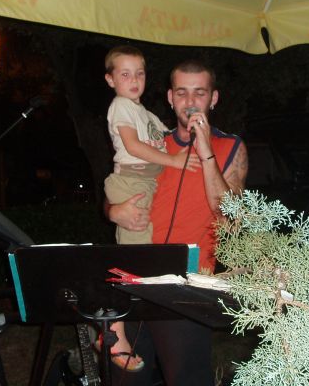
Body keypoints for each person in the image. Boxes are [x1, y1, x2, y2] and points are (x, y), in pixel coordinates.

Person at [106, 59, 248, 386]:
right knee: (127, 379)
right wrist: (114, 211)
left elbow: (230, 218)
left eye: (200, 93)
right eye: (182, 93)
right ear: (170, 98)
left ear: (213, 98)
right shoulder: (152, 143)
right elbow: (119, 185)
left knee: (186, 378)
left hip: (187, 284)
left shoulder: (230, 147)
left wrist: (205, 150)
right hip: (137, 275)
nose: (190, 101)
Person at [102, 46, 200, 372]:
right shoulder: (120, 106)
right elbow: (132, 146)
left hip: (143, 184)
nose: (134, 80)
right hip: (131, 183)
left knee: (138, 260)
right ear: (110, 79)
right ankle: (111, 332)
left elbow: (164, 137)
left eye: (140, 73)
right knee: (131, 262)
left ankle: (117, 325)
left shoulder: (146, 114)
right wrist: (174, 161)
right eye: (125, 74)